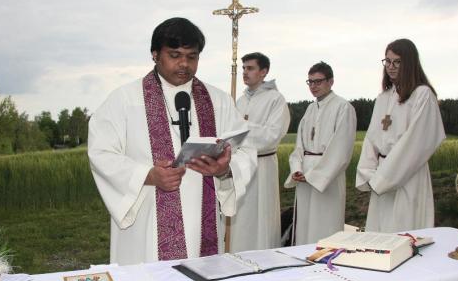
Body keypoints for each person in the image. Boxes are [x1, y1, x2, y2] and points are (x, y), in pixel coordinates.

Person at [88, 17, 256, 265]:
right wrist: (148, 175)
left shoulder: (217, 100)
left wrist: (225, 170)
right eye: (175, 55)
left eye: (192, 56)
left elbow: (246, 148)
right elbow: (101, 153)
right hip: (148, 221)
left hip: (203, 218)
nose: (184, 64)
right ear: (155, 54)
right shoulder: (124, 100)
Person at [355, 38, 446, 232]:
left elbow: (416, 143)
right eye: (387, 61)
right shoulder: (383, 98)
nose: (391, 66)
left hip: (407, 177)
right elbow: (371, 139)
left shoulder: (422, 95)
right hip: (381, 175)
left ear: (409, 63)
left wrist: (383, 178)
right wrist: (369, 173)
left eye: (397, 61)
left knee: (404, 233)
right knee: (380, 235)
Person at [284, 61, 356, 245]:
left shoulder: (343, 107)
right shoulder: (310, 109)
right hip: (304, 176)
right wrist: (297, 169)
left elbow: (341, 149)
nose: (313, 86)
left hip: (326, 178)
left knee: (324, 226)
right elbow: (299, 146)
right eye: (310, 82)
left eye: (318, 81)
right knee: (304, 226)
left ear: (330, 81)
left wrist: (314, 176)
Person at [230, 52, 291, 252]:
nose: (245, 73)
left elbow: (272, 135)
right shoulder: (239, 101)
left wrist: (242, 128)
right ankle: (239, 253)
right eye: (243, 68)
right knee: (242, 216)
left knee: (261, 217)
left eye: (250, 68)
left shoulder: (276, 99)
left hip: (262, 165)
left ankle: (263, 255)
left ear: (263, 72)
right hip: (240, 165)